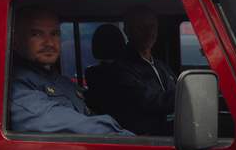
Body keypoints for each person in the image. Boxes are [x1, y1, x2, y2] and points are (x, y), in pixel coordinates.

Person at [10, 7, 132, 135]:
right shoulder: (16, 86)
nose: (49, 43)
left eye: (54, 33)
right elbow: (70, 125)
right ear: (15, 41)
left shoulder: (61, 81)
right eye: (36, 34)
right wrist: (129, 139)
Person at [113, 7, 176, 135]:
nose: (149, 32)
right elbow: (149, 101)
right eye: (141, 27)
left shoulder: (160, 65)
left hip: (173, 130)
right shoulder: (121, 69)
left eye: (152, 26)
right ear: (127, 31)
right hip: (148, 137)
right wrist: (187, 96)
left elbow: (176, 87)